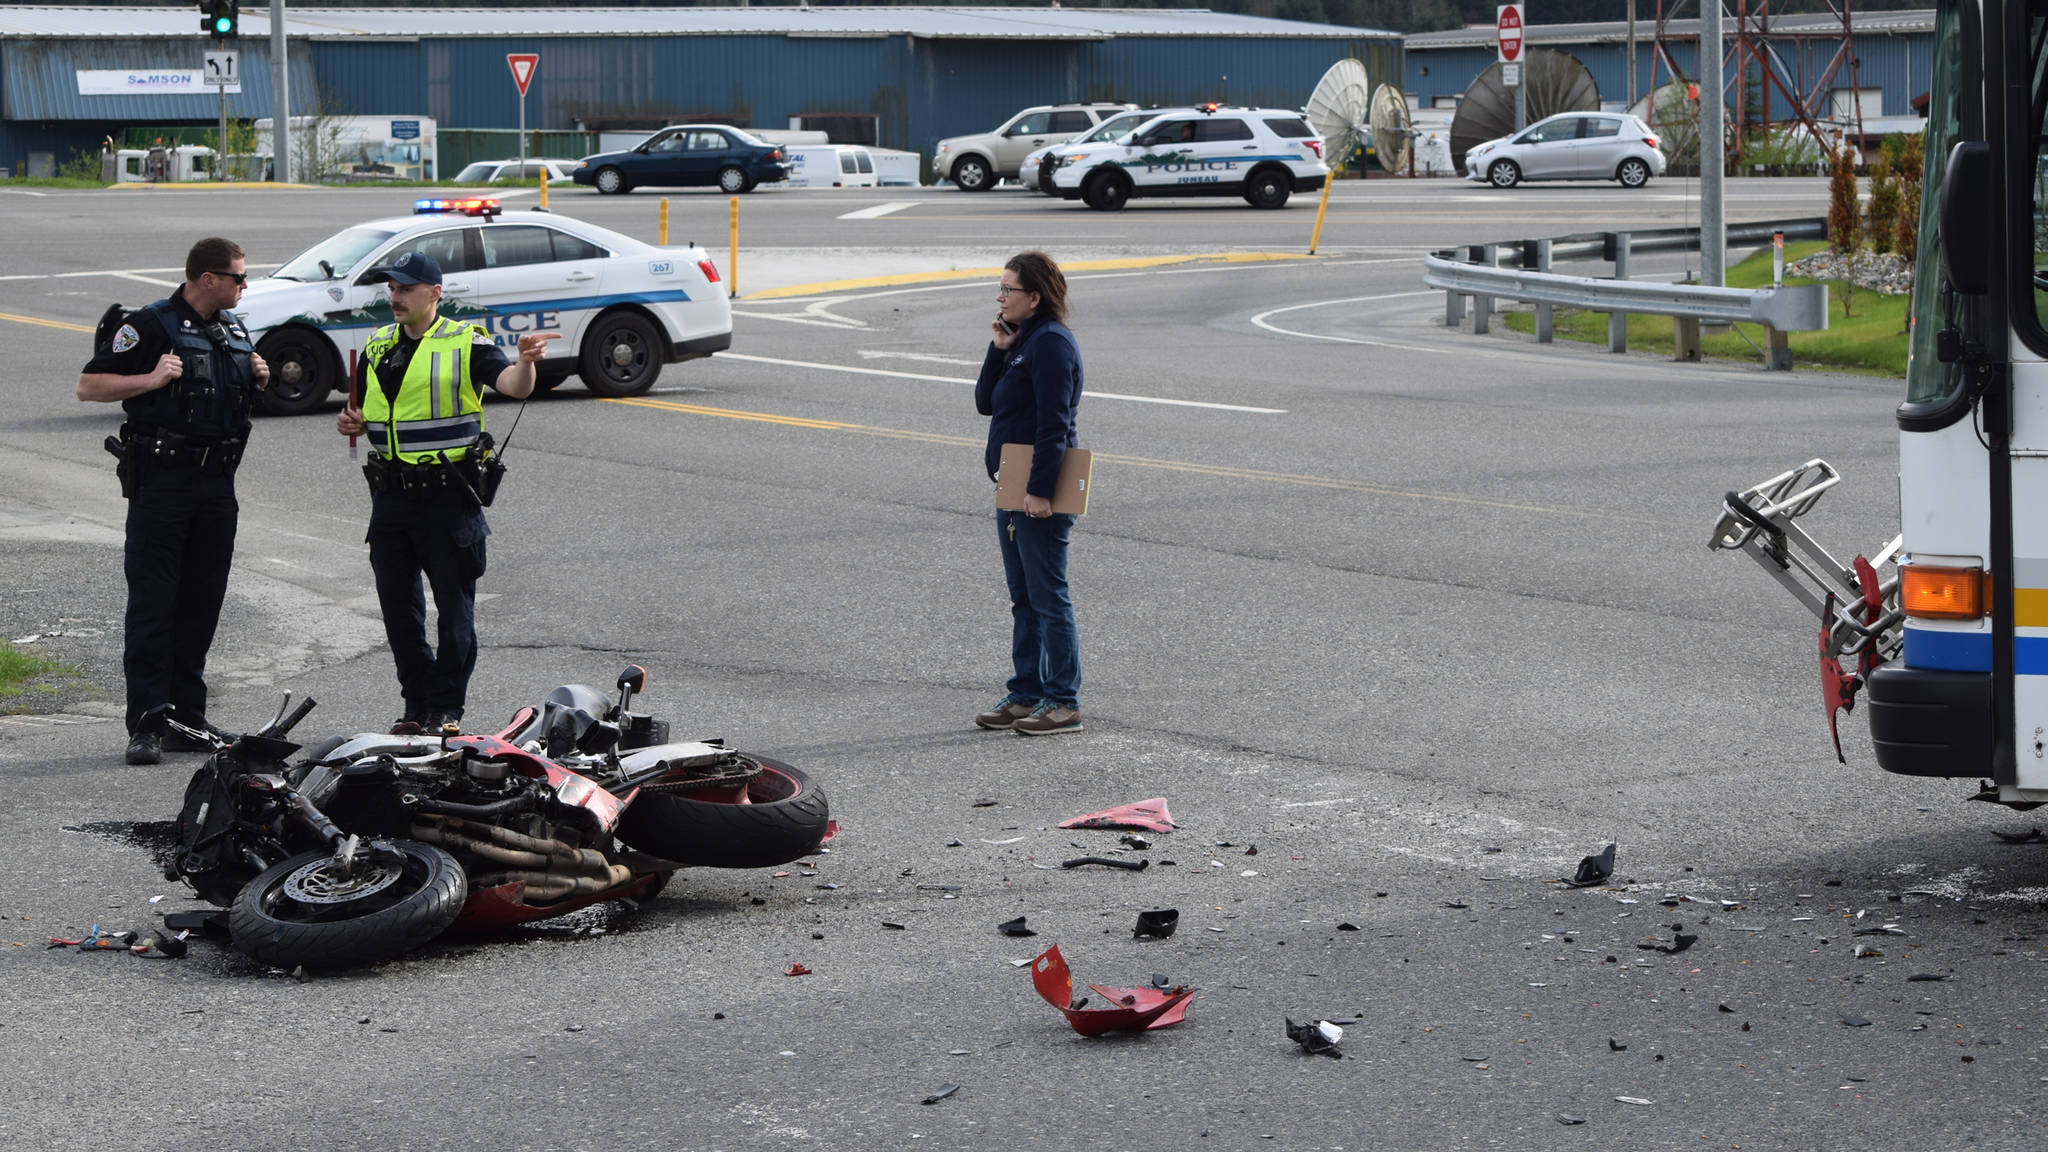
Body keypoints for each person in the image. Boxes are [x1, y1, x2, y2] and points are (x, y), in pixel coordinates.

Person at [334, 251, 554, 735]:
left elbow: (513, 386)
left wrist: (524, 361)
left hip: (446, 496)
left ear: (435, 293)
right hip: (390, 498)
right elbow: (370, 415)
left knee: (454, 608)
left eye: (406, 289)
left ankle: (445, 706)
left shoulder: (464, 341)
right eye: (391, 288)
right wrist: (354, 422)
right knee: (399, 608)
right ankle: (415, 704)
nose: (395, 297)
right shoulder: (377, 346)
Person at [78, 237, 269, 766]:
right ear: (208, 278)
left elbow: (227, 399)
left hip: (217, 486)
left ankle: (187, 717)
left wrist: (259, 378)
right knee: (154, 604)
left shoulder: (231, 327)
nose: (244, 285)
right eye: (238, 277)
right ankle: (147, 720)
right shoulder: (150, 323)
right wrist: (152, 377)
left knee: (201, 602)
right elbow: (89, 386)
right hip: (164, 485)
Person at [972, 251, 1085, 736]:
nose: (1000, 297)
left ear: (1034, 297)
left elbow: (1053, 423)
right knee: (1023, 597)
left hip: (1040, 483)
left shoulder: (1053, 344)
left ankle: (1063, 702)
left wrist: (1040, 491)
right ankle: (1026, 693)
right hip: (1011, 480)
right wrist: (998, 349)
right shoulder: (1023, 342)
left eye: (1008, 290)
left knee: (1048, 596)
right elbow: (984, 403)